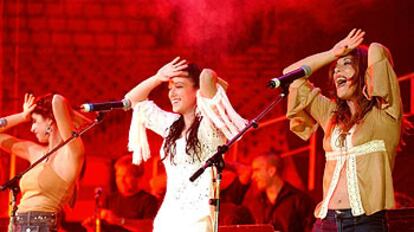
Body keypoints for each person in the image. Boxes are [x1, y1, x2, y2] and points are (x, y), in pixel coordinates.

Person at [284, 28, 403, 231]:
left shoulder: (386, 114)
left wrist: (356, 53)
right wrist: (333, 53)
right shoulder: (330, 113)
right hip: (326, 221)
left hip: (366, 223)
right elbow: (290, 74)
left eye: (346, 64)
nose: (337, 70)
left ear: (367, 72)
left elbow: (376, 50)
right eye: (335, 68)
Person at [124, 57, 246, 232]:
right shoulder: (171, 126)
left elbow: (207, 76)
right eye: (170, 88)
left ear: (197, 91)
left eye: (179, 87)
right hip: (166, 219)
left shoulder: (210, 124)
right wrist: (159, 77)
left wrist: (209, 81)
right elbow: (132, 101)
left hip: (198, 219)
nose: (172, 93)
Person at [0, 93, 87, 231]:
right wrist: (22, 116)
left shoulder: (71, 153)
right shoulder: (34, 152)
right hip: (17, 225)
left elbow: (57, 100)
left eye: (34, 121)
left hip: (41, 226)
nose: (31, 128)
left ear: (50, 121)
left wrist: (70, 113)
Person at [82, 155, 159, 232]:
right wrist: (92, 228)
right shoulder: (109, 199)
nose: (121, 180)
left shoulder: (149, 200)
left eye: (126, 176)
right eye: (118, 176)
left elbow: (150, 227)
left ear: (138, 178)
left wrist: (119, 221)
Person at [242, 154, 315, 232]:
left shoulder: (301, 200)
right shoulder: (254, 204)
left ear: (271, 171)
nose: (253, 176)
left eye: (257, 170)